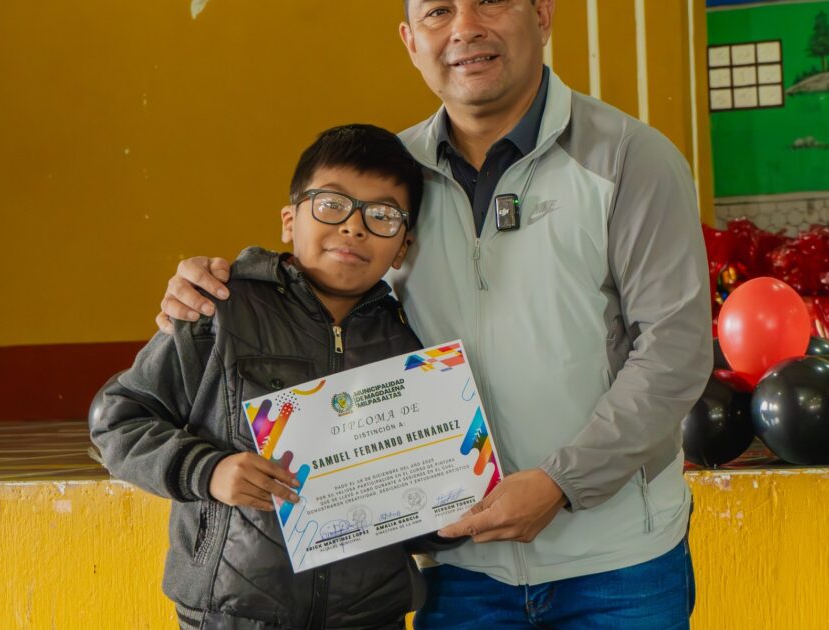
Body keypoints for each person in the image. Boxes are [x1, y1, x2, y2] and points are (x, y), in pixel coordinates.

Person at [156, 1, 713, 628]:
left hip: (618, 566)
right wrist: (209, 287)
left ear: (543, 14)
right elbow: (318, 288)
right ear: (410, 40)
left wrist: (562, 482)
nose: (465, 27)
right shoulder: (390, 180)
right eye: (439, 10)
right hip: (458, 572)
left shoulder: (629, 160)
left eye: (491, 1)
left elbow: (675, 350)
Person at [90, 124, 432, 629]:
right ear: (290, 221)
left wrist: (448, 517)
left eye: (382, 216)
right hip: (232, 614)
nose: (354, 228)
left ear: (402, 248)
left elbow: (418, 486)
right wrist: (207, 471)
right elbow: (116, 420)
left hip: (370, 615)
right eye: (332, 205)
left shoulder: (411, 341)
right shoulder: (220, 309)